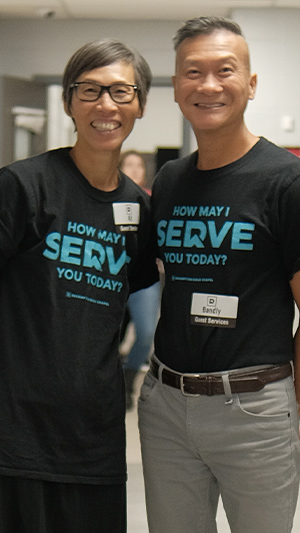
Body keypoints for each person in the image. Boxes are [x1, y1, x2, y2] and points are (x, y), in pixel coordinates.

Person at [137, 16, 300, 533]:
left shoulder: (291, 185)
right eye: (192, 72)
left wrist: (284, 411)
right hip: (166, 408)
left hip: (254, 409)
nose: (208, 85)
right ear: (177, 87)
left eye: (224, 70)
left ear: (250, 84)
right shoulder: (171, 180)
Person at [0, 39, 157, 532]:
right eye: (90, 90)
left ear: (140, 105)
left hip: (94, 438)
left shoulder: (139, 211)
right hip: (10, 437)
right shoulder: (21, 188)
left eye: (121, 91)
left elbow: (126, 306)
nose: (106, 105)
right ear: (68, 102)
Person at [118, 150, 161, 409]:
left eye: (138, 165)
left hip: (144, 279)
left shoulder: (153, 201)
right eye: (129, 165)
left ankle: (128, 380)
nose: (134, 169)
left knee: (146, 333)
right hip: (110, 276)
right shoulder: (106, 197)